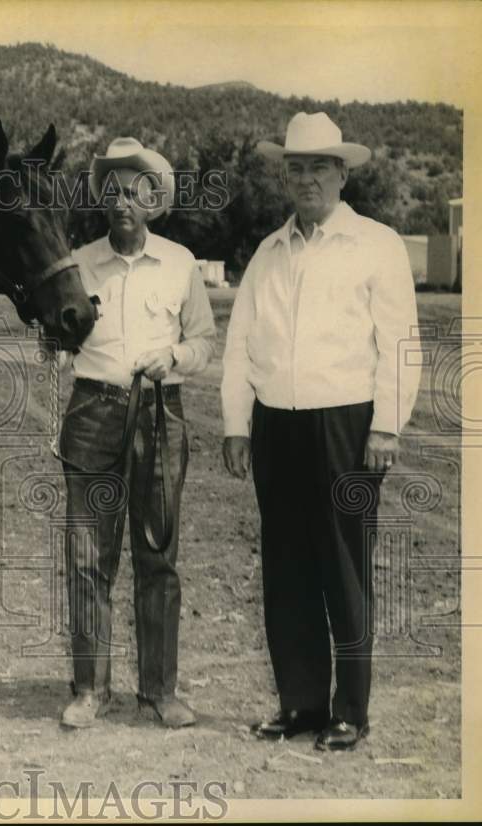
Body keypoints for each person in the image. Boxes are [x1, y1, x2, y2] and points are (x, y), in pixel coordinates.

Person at [221, 112, 420, 751]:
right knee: (287, 569)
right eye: (296, 167)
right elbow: (238, 346)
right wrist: (237, 425)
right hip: (277, 426)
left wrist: (386, 426)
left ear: (342, 173)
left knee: (344, 569)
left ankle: (350, 713)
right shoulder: (269, 252)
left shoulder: (377, 245)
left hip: (348, 426)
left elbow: (400, 344)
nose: (307, 179)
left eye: (318, 167)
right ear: (286, 176)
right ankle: (301, 704)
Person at [58, 137, 216, 729]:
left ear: (153, 200)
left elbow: (204, 340)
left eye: (135, 190)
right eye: (112, 190)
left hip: (159, 414)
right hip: (93, 414)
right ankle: (88, 690)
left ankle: (159, 691)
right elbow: (54, 333)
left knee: (158, 556)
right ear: (102, 199)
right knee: (86, 556)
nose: (122, 200)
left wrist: (172, 357)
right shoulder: (77, 262)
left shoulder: (180, 264)